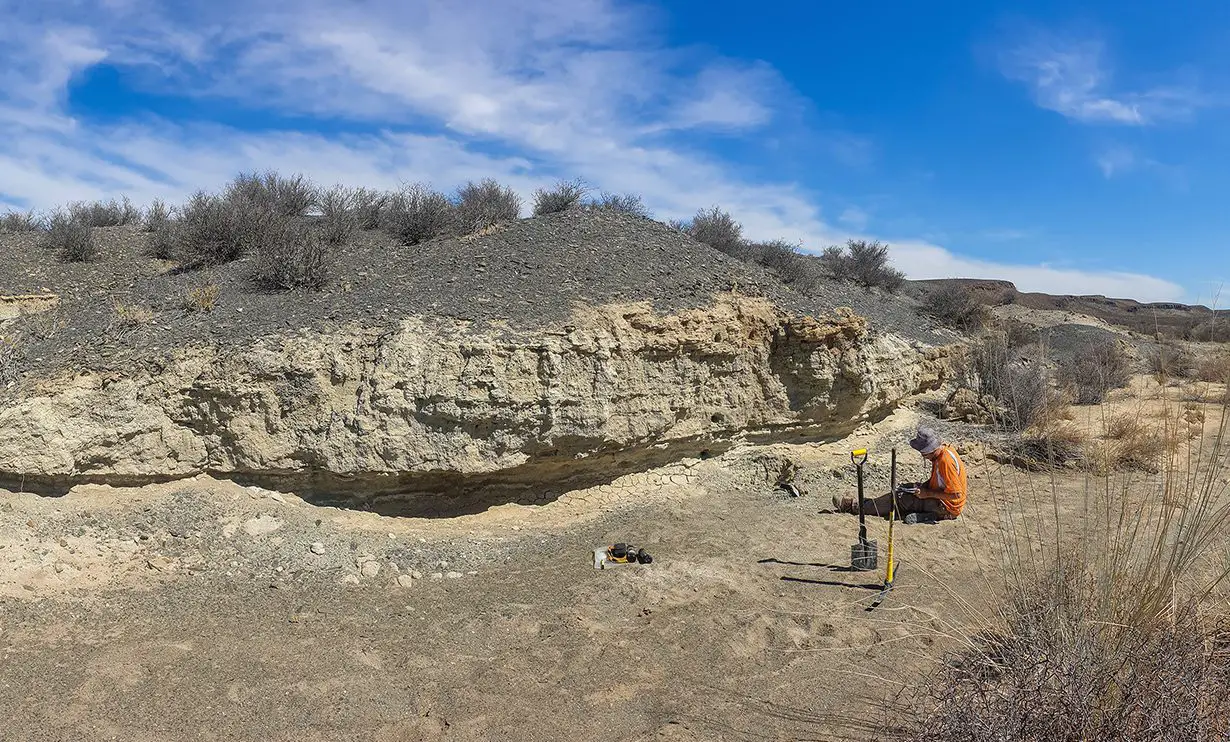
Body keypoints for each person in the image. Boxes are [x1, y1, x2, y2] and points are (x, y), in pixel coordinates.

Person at [832, 427, 967, 523]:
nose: (923, 456)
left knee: (901, 498)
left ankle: (854, 506)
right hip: (943, 501)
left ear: (929, 450)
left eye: (923, 453)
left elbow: (956, 494)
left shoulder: (945, 461)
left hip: (947, 507)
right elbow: (941, 482)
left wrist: (927, 494)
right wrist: (924, 487)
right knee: (905, 490)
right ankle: (866, 503)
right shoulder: (942, 452)